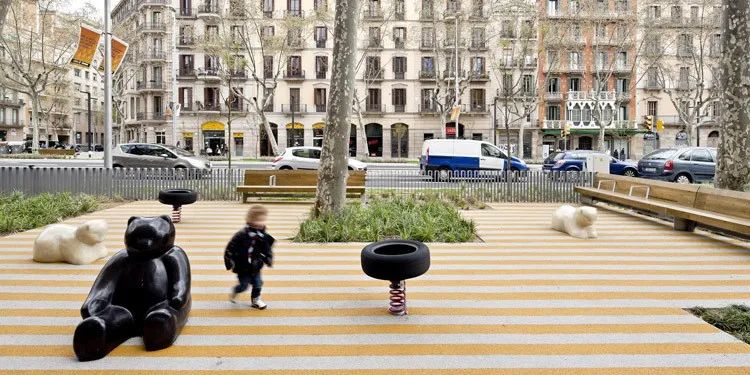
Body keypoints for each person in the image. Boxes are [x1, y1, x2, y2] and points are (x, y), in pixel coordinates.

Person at [224, 205, 275, 309]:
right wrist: (229, 261)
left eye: (263, 220)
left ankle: (256, 300)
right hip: (242, 266)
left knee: (258, 283)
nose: (261, 223)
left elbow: (267, 249)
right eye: (258, 220)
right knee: (244, 285)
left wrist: (268, 258)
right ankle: (236, 290)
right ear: (250, 220)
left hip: (256, 266)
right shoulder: (241, 235)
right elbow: (230, 247)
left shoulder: (264, 236)